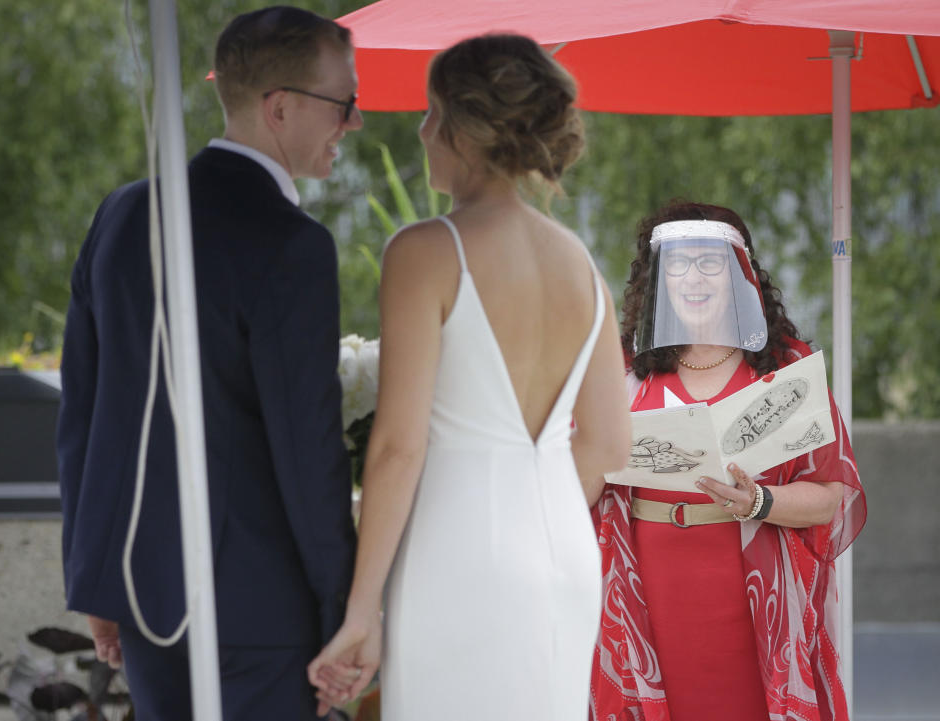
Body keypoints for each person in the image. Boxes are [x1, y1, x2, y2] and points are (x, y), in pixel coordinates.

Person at [306, 33, 632, 721]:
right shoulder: (581, 261)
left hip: (457, 556)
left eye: (431, 113)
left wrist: (362, 608)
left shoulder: (425, 252)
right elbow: (608, 444)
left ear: (466, 126)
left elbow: (398, 446)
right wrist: (526, 514)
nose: (422, 130)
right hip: (565, 555)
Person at [56, 7, 361, 720]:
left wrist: (97, 578)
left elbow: (84, 409)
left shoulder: (124, 214)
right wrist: (343, 608)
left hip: (142, 589)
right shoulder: (293, 245)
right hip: (264, 614)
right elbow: (307, 446)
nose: (354, 123)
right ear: (280, 107)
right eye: (345, 103)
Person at [590, 201, 867, 721]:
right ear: (658, 277)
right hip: (648, 595)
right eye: (678, 264)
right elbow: (581, 494)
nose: (693, 277)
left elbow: (830, 498)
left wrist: (759, 500)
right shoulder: (624, 372)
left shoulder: (786, 369)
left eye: (709, 263)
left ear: (740, 272)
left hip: (750, 603)